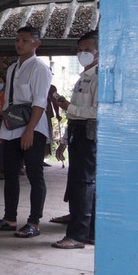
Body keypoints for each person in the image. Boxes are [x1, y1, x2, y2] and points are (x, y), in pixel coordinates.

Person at [0, 26, 53, 238]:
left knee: (34, 174)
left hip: (33, 127)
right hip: (11, 126)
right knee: (10, 174)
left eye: (24, 40)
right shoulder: (13, 68)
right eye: (17, 40)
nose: (19, 44)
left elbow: (40, 102)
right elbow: (8, 102)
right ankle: (9, 218)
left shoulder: (40, 69)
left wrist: (29, 131)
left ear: (36, 43)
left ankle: (34, 222)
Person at [51, 30, 98, 249]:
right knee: (82, 183)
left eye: (87, 50)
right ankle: (89, 231)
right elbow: (76, 113)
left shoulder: (100, 76)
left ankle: (78, 234)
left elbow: (98, 112)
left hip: (90, 134)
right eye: (79, 50)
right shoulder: (85, 76)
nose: (82, 54)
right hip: (79, 131)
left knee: (84, 184)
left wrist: (69, 107)